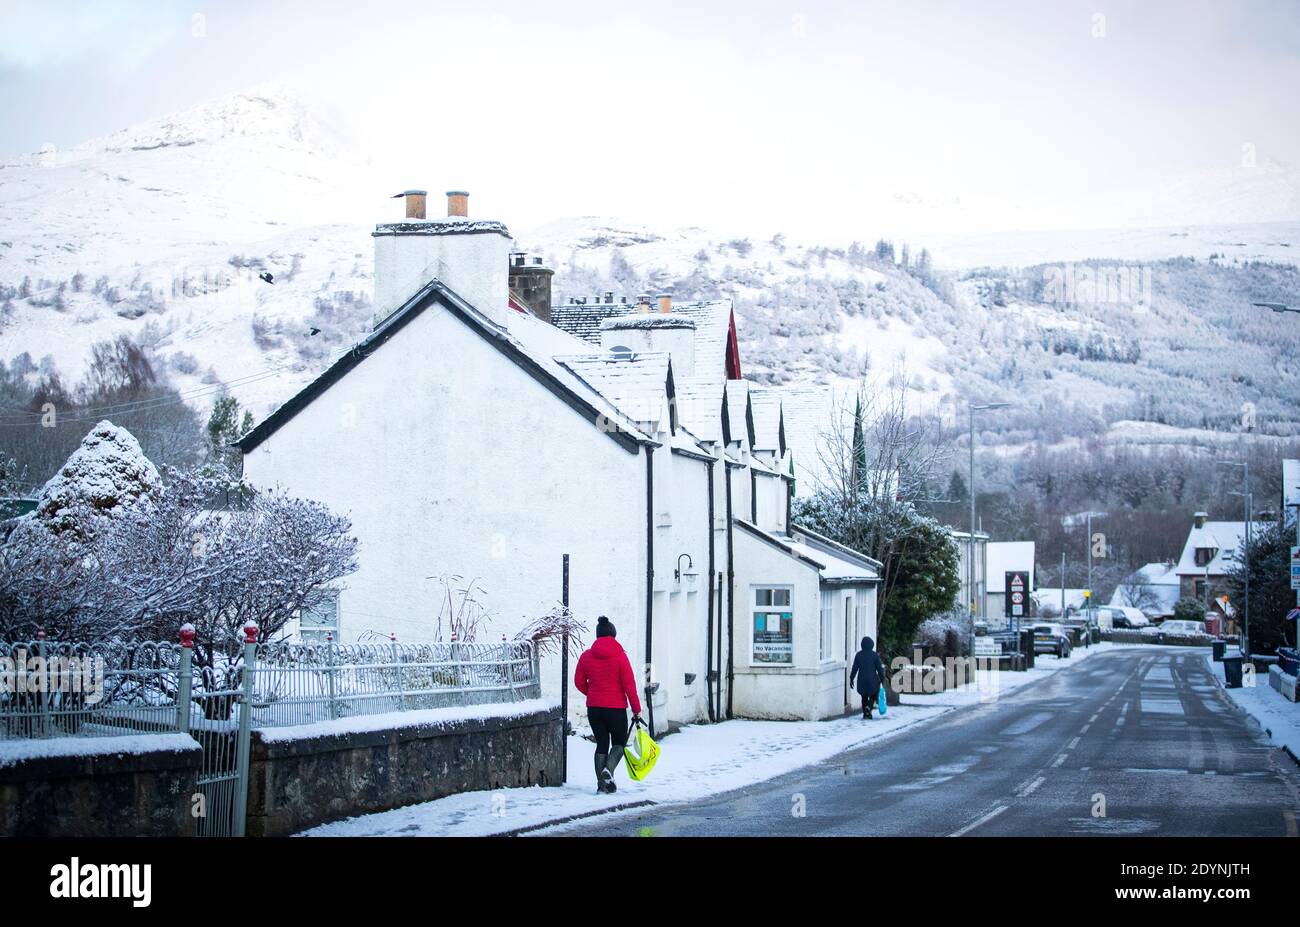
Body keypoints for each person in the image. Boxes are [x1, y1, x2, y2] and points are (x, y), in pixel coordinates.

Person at [574, 616, 643, 793]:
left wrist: (593, 693)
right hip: (616, 710)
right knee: (619, 743)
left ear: (597, 636)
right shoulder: (620, 657)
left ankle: (602, 785)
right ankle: (608, 771)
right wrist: (636, 709)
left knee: (601, 744)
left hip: (594, 709)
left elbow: (579, 681)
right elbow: (629, 685)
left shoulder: (586, 656)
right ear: (613, 636)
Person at [849, 636, 886, 720]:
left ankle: (866, 714)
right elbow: (879, 669)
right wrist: (882, 678)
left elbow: (855, 668)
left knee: (864, 696)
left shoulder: (858, 655)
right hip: (872, 679)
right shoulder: (874, 655)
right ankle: (869, 707)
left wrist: (851, 678)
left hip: (861, 679)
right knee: (873, 695)